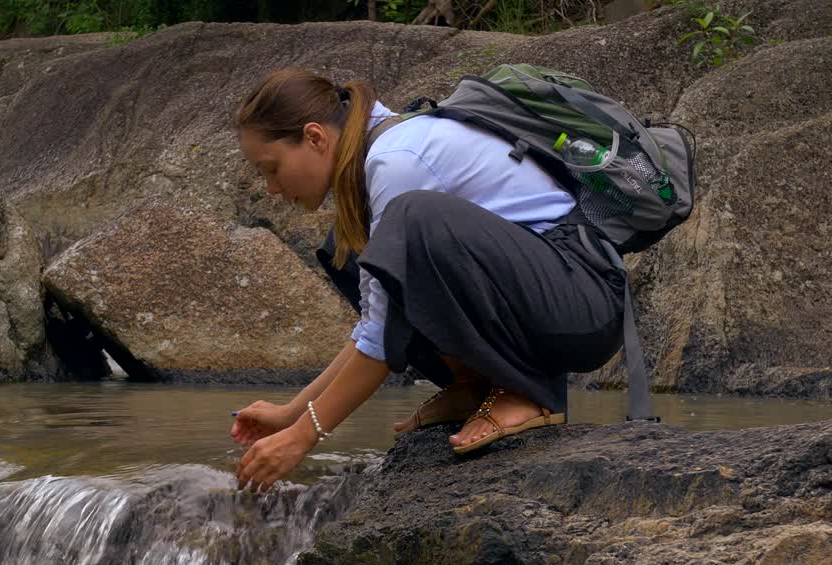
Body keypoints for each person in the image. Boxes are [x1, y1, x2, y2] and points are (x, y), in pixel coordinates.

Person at [231, 68, 626, 492]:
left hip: (581, 300)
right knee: (347, 252)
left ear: (314, 137)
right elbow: (374, 321)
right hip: (545, 297)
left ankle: (529, 393)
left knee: (412, 220)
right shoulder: (375, 157)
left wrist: (302, 436)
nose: (271, 187)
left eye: (271, 168)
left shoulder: (397, 160)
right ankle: (475, 385)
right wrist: (292, 412)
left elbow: (382, 336)